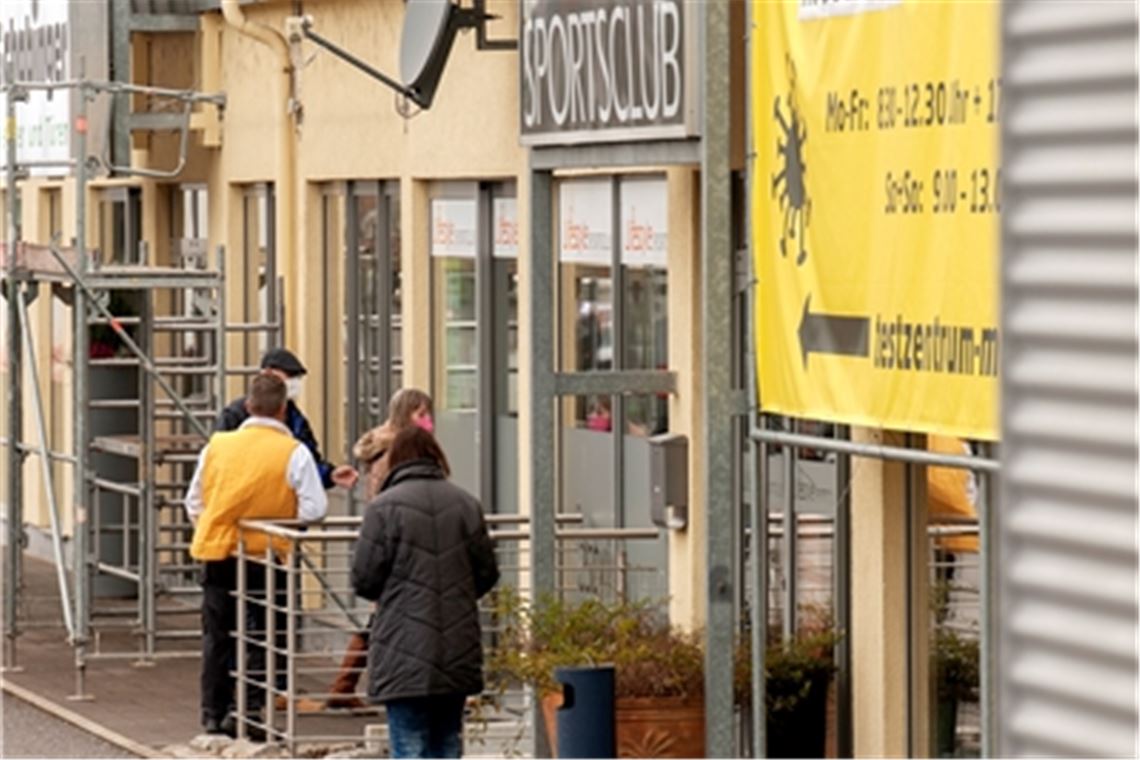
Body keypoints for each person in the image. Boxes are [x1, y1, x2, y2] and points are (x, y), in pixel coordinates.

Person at [185, 374, 329, 738]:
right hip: (267, 554)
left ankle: (213, 713)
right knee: (267, 635)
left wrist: (216, 523)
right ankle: (251, 709)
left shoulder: (217, 446)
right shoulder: (293, 452)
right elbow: (315, 508)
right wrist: (281, 517)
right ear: (283, 409)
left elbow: (193, 501)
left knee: (218, 635)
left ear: (249, 406)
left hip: (219, 550)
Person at [351, 427, 499, 759]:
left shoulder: (383, 509)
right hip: (456, 647)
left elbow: (364, 579)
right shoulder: (466, 505)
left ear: (396, 461)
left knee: (409, 745)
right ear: (437, 457)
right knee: (447, 742)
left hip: (401, 647)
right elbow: (487, 574)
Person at [325, 388, 435, 709]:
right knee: (392, 615)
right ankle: (349, 683)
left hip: (390, 541)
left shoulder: (384, 450)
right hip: (400, 543)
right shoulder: (396, 454)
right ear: (405, 416)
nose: (428, 421)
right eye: (421, 414)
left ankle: (345, 683)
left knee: (383, 615)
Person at [216, 347, 357, 491]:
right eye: (289, 375)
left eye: (297, 378)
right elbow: (220, 463)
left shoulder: (295, 418)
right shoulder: (234, 415)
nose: (294, 382)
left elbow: (308, 463)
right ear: (267, 374)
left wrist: (330, 475)